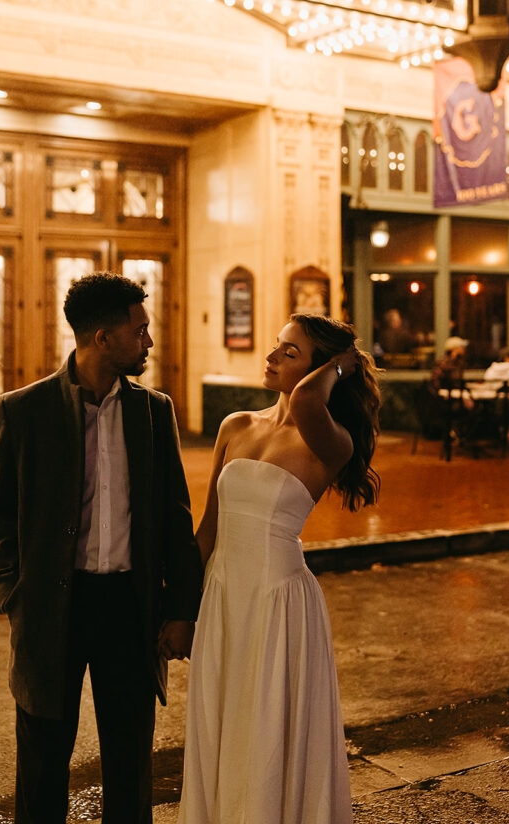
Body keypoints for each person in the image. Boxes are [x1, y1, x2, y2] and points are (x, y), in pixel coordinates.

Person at [0, 272, 202, 824]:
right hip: (54, 607)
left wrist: (180, 611)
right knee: (42, 762)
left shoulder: (153, 411)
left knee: (130, 764)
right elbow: (0, 516)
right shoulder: (22, 411)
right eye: (140, 330)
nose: (148, 341)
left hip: (130, 608)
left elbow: (176, 518)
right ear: (103, 338)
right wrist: (17, 594)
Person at [179, 314, 381, 824]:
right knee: (223, 722)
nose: (271, 358)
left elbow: (309, 401)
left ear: (323, 371)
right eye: (276, 346)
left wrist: (343, 362)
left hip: (278, 602)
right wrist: (179, 608)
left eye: (290, 353)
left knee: (267, 726)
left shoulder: (331, 441)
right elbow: (208, 529)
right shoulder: (236, 425)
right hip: (225, 596)